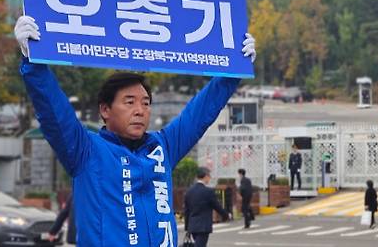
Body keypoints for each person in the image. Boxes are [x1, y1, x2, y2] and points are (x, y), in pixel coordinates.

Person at [13, 16, 256, 247]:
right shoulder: (86, 151)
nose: (140, 110)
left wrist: (234, 69)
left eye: (146, 103)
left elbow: (200, 113)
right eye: (129, 102)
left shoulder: (163, 148)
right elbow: (55, 113)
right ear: (105, 110)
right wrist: (33, 63)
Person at [184, 167, 231, 247]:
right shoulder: (208, 191)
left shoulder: (189, 191)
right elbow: (217, 206)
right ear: (205, 176)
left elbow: (186, 210)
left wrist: (187, 227)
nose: (210, 178)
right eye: (209, 176)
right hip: (204, 226)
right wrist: (226, 215)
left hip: (193, 226)